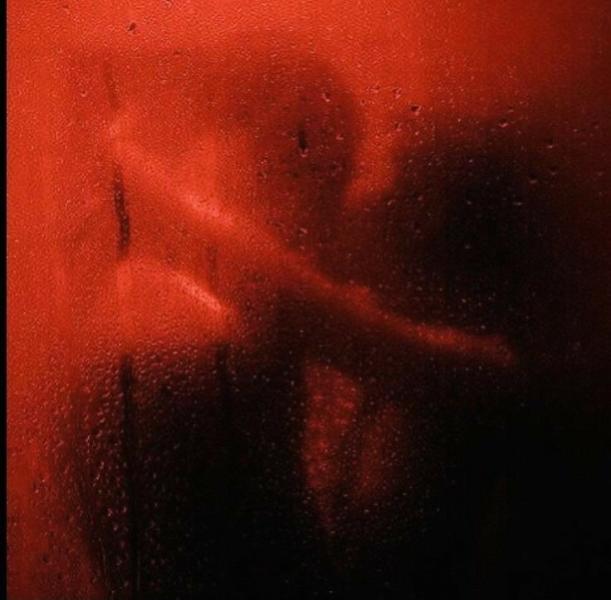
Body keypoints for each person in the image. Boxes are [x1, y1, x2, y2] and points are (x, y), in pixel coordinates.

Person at [8, 2, 611, 599]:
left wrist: (138, 186)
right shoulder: (205, 336)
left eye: (389, 190)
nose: (363, 199)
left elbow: (307, 310)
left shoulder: (484, 373)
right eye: (319, 171)